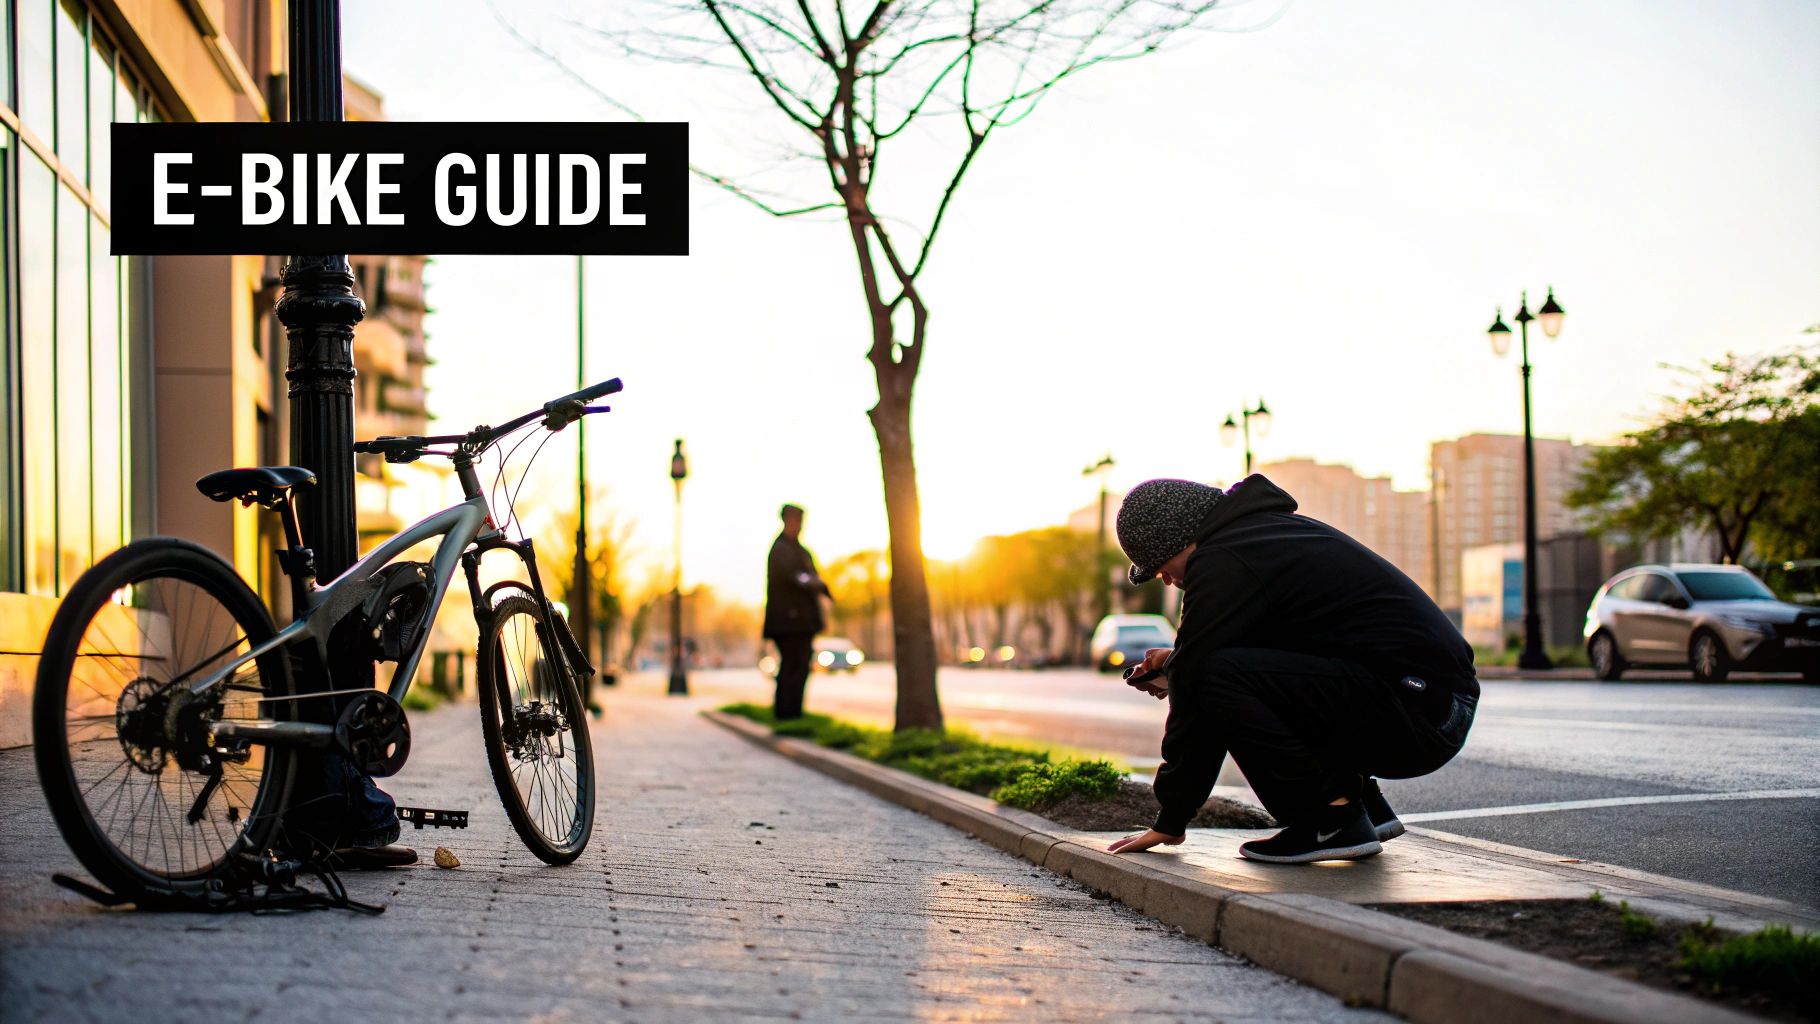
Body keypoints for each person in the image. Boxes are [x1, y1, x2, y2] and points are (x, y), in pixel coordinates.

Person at [1105, 475, 1477, 864]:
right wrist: (1179, 662)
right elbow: (1269, 656)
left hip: (1417, 714)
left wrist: (1172, 818)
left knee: (1213, 674)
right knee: (1215, 669)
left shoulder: (1224, 559)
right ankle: (1365, 808)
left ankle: (1329, 818)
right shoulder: (1263, 537)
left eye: (1160, 567)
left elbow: (1201, 681)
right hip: (1434, 703)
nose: (1166, 580)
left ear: (1179, 539)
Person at [763, 504, 831, 720]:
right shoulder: (781, 549)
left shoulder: (801, 550)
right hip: (788, 621)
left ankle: (793, 711)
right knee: (792, 665)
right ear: (786, 520)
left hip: (802, 621)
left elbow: (813, 577)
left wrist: (822, 587)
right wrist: (811, 582)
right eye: (796, 520)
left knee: (800, 665)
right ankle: (786, 712)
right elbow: (795, 578)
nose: (799, 525)